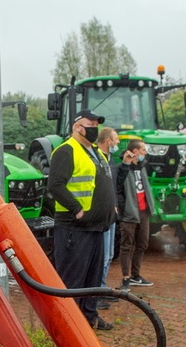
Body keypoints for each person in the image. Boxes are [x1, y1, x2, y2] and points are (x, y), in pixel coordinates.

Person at [48, 109, 117, 330]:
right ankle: (69, 326)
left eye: (97, 124)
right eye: (91, 123)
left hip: (96, 227)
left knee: (92, 279)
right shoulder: (67, 151)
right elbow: (55, 186)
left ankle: (90, 317)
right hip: (74, 229)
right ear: (78, 126)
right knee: (73, 280)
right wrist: (77, 209)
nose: (94, 128)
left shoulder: (95, 151)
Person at [116, 138, 154, 290]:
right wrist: (123, 208)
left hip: (143, 211)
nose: (146, 153)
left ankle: (135, 276)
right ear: (136, 151)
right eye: (143, 150)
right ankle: (126, 278)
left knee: (142, 243)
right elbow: (118, 188)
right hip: (130, 212)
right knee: (127, 245)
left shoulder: (143, 167)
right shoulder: (123, 168)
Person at [96, 126, 120, 309]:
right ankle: (96, 293)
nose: (118, 143)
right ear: (108, 141)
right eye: (116, 139)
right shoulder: (97, 159)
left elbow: (113, 185)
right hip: (103, 214)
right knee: (102, 256)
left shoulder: (109, 160)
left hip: (111, 212)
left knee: (109, 254)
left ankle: (102, 288)